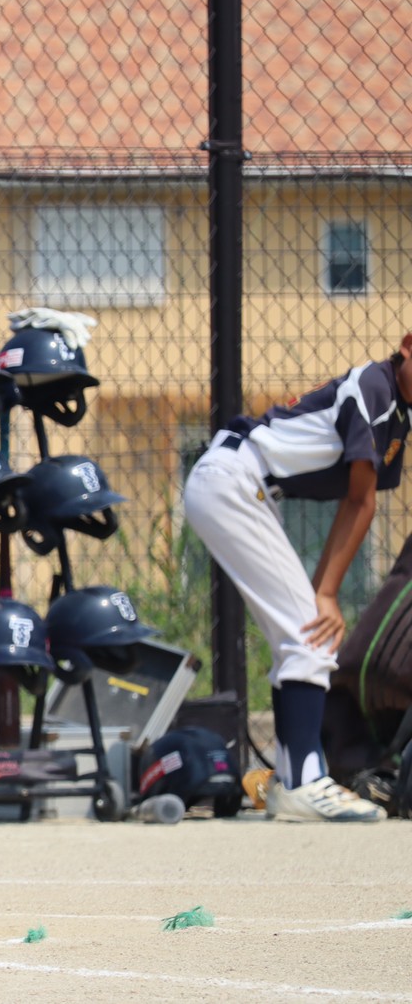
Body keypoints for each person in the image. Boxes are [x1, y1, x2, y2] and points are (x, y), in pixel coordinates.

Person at [183, 334, 412, 822]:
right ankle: (304, 783)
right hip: (234, 481)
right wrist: (324, 593)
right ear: (408, 346)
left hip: (241, 484)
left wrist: (322, 591)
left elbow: (359, 503)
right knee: (310, 631)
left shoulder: (396, 410)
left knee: (302, 631)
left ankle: (292, 780)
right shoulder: (376, 388)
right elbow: (360, 502)